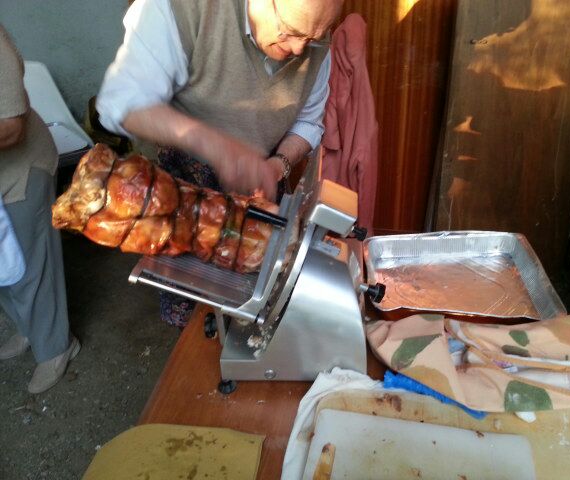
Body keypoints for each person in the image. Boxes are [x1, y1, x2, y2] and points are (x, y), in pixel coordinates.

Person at [97, 0, 344, 327]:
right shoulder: (181, 8)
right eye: (290, 31)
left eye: (312, 37)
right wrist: (219, 148)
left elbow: (309, 123)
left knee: (262, 309)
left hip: (261, 188)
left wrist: (277, 165)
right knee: (197, 322)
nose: (300, 49)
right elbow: (120, 102)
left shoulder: (315, 42)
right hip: (182, 195)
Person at [0, 25, 80, 394]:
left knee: (31, 267)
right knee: (4, 268)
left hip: (20, 171)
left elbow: (11, 127)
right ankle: (29, 327)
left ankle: (56, 347)